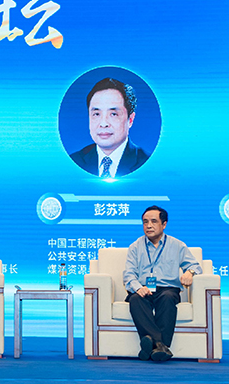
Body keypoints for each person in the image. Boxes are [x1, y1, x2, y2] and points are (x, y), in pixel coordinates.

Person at [123, 205, 201, 362]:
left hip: (167, 289)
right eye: (145, 222)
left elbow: (195, 266)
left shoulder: (177, 245)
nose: (148, 226)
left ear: (164, 224)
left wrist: (190, 272)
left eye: (153, 221)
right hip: (144, 288)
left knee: (167, 298)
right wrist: (138, 288)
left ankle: (150, 344)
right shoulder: (135, 247)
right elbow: (129, 274)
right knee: (135, 299)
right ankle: (160, 346)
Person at [69, 78, 149, 178]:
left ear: (130, 120)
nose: (103, 124)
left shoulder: (148, 164)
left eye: (113, 114)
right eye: (96, 114)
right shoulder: (73, 162)